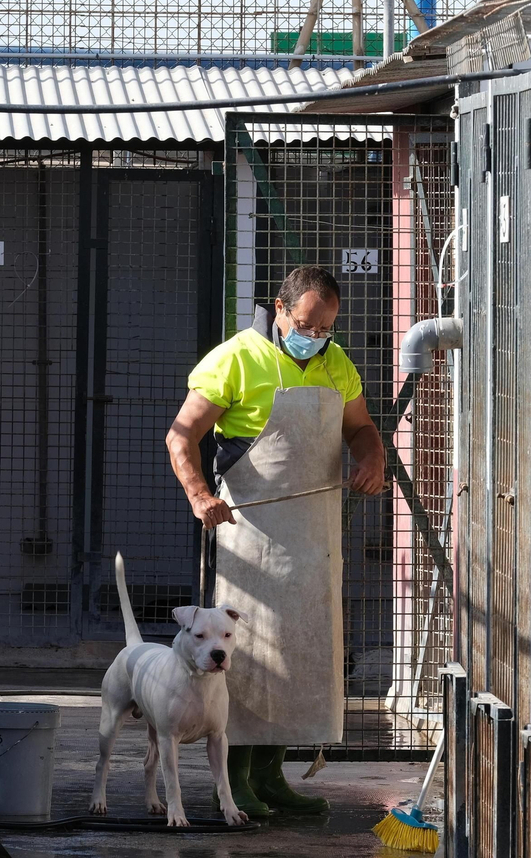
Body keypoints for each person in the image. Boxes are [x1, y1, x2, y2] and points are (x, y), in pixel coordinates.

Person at [164, 265, 386, 816]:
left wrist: (372, 458)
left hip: (313, 539)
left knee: (300, 656)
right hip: (250, 537)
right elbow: (181, 436)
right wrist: (199, 495)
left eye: (326, 328)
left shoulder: (336, 364)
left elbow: (360, 427)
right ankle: (234, 779)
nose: (316, 336)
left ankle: (270, 778)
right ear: (280, 310)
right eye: (306, 325)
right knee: (249, 657)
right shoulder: (235, 358)